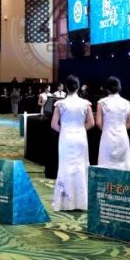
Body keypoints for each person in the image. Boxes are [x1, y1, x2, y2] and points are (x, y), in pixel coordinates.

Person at [50, 75, 94, 211]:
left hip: (66, 138)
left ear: (66, 87)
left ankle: (65, 202)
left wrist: (65, 130)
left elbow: (54, 125)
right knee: (81, 167)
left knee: (65, 166)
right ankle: (81, 202)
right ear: (78, 87)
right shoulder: (86, 103)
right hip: (81, 138)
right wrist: (80, 130)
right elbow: (91, 123)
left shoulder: (60, 104)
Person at [95, 77, 130, 171]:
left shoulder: (102, 102)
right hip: (122, 136)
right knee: (123, 167)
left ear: (107, 89)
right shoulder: (126, 103)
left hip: (107, 136)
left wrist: (106, 129)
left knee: (106, 165)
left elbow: (98, 123)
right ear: (119, 87)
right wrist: (121, 129)